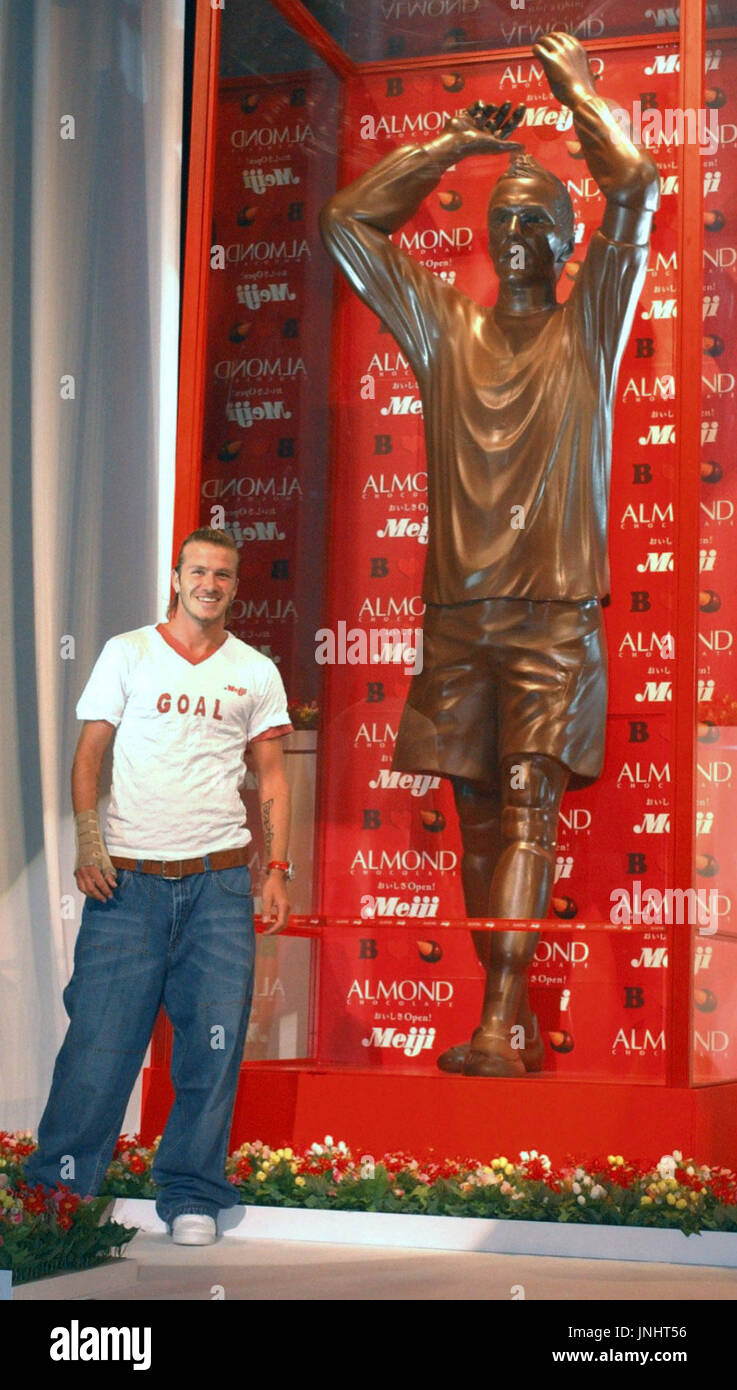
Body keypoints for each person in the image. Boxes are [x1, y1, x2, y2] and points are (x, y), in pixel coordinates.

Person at [320, 32, 659, 1077]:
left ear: (566, 242)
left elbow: (635, 180)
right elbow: (344, 223)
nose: (515, 235)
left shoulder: (588, 326)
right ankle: (491, 1015)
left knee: (524, 807)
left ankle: (501, 1019)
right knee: (476, 822)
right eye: (501, 219)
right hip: (457, 616)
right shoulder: (442, 329)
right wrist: (447, 142)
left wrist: (577, 89)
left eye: (536, 221)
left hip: (552, 616)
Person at [25, 527, 293, 1244]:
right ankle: (56, 1199)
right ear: (176, 578)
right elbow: (89, 756)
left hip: (219, 887)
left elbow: (270, 775)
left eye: (224, 575)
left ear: (237, 587)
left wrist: (277, 868)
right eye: (198, 571)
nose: (210, 584)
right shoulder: (129, 653)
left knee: (212, 1048)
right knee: (98, 1048)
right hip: (128, 887)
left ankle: (193, 1195)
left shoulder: (255, 671)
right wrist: (90, 842)